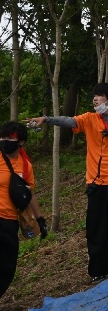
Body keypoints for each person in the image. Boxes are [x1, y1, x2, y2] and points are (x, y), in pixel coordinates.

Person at [27, 83, 108, 282]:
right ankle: (99, 270)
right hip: (95, 183)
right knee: (96, 227)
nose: (95, 99)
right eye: (94, 96)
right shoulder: (90, 119)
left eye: (99, 96)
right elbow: (68, 121)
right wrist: (46, 119)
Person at [0, 122, 48, 298]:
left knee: (7, 266)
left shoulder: (25, 166)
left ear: (21, 142)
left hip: (10, 221)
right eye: (2, 137)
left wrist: (40, 219)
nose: (4, 141)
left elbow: (30, 194)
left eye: (9, 138)